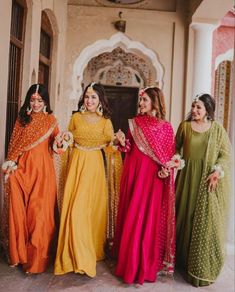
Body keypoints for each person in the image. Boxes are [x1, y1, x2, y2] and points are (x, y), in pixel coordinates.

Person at [112, 86, 182, 285]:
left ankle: (146, 265)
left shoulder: (166, 127)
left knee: (149, 219)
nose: (141, 104)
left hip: (154, 179)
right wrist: (120, 141)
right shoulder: (134, 123)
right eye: (140, 100)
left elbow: (169, 156)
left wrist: (166, 169)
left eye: (144, 100)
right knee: (134, 216)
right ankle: (130, 265)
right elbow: (127, 148)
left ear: (155, 102)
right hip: (136, 176)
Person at [54, 82, 122, 277]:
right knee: (75, 210)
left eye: (93, 97)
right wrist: (63, 140)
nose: (89, 100)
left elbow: (110, 147)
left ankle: (90, 250)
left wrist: (117, 142)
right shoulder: (75, 118)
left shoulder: (105, 121)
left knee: (93, 212)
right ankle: (76, 257)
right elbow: (69, 141)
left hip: (95, 169)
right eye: (87, 96)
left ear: (100, 100)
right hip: (76, 166)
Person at [1, 84, 59, 274]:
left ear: (46, 102)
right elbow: (14, 145)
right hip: (23, 172)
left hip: (43, 174)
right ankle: (20, 255)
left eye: (40, 100)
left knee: (40, 216)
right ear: (28, 101)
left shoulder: (51, 120)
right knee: (22, 216)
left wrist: (63, 141)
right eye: (32, 100)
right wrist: (10, 164)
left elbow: (57, 145)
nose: (36, 104)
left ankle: (36, 262)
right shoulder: (22, 120)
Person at [175, 93, 232, 287]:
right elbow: (175, 149)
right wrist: (176, 160)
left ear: (208, 109)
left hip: (206, 181)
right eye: (193, 106)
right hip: (186, 180)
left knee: (203, 221)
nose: (194, 110)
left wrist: (217, 171)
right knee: (183, 216)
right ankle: (181, 260)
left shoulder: (217, 130)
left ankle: (199, 264)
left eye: (198, 107)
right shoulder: (184, 127)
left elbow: (226, 155)